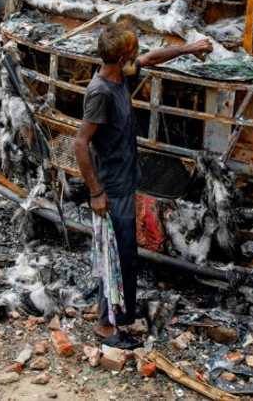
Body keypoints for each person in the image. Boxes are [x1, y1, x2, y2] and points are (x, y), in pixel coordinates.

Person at [73, 21, 212, 347]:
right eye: (133, 51)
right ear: (122, 57)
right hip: (111, 188)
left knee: (124, 254)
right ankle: (106, 327)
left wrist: (190, 48)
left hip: (124, 181)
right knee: (116, 256)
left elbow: (151, 58)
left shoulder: (121, 76)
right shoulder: (101, 93)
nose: (138, 56)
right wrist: (96, 192)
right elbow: (80, 143)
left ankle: (119, 315)